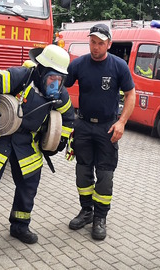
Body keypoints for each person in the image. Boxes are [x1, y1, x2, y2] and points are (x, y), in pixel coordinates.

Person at [0, 44, 75, 248]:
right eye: (52, 78)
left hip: (27, 142)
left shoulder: (60, 94)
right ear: (41, 70)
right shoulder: (20, 76)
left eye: (60, 79)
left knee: (28, 186)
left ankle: (20, 225)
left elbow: (69, 118)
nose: (55, 84)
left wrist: (60, 140)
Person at [64, 23, 136, 240]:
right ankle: (86, 211)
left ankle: (100, 218)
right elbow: (61, 86)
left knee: (104, 175)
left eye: (100, 43)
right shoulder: (78, 65)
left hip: (108, 127)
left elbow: (131, 94)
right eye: (93, 42)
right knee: (82, 171)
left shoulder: (118, 66)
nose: (95, 47)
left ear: (109, 44)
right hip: (83, 125)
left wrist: (122, 122)